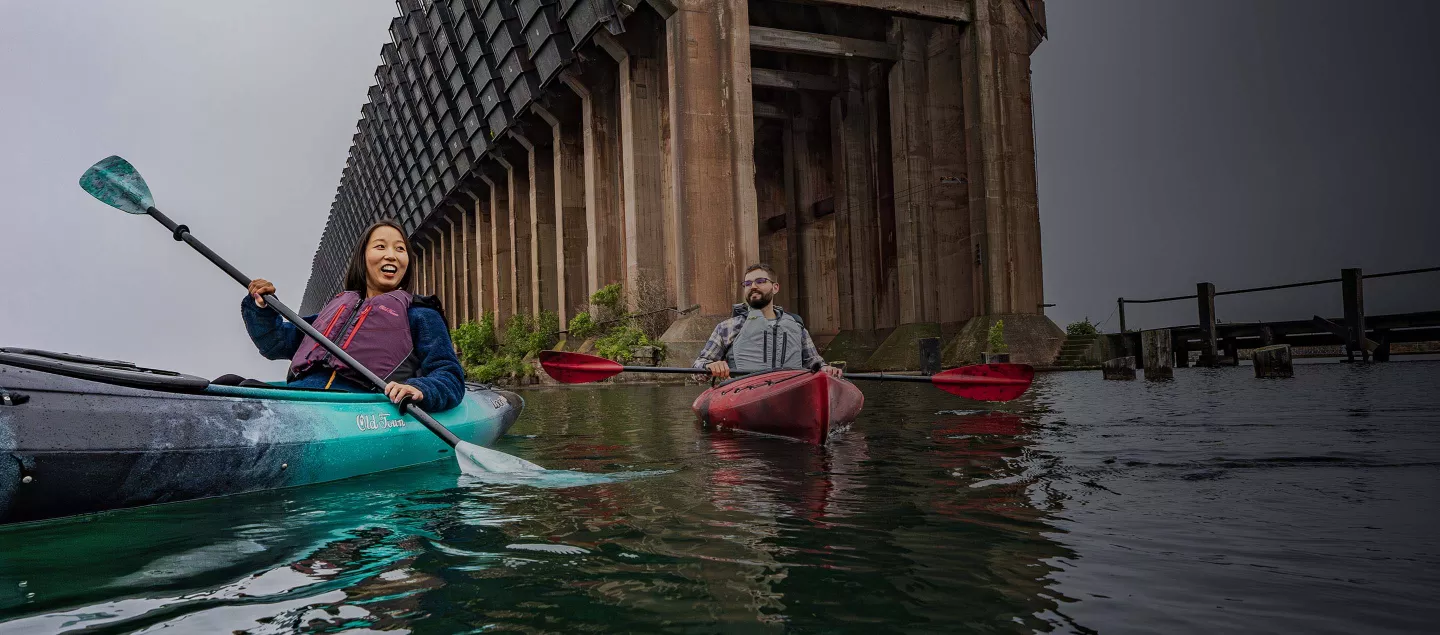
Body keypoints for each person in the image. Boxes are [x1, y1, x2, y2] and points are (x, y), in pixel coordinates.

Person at [240, 220, 466, 411]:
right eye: (380, 247)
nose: (391, 256)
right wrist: (262, 307)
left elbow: (449, 375)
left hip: (354, 406)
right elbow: (275, 343)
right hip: (302, 397)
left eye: (400, 249)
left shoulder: (420, 316)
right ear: (363, 257)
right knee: (230, 383)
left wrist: (420, 389)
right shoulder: (333, 313)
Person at [692, 263, 844, 380]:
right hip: (744, 393)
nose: (753, 287)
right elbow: (697, 369)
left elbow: (814, 362)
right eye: (748, 284)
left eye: (760, 281)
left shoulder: (797, 327)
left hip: (790, 391)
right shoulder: (727, 327)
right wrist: (710, 366)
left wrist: (826, 369)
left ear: (775, 287)